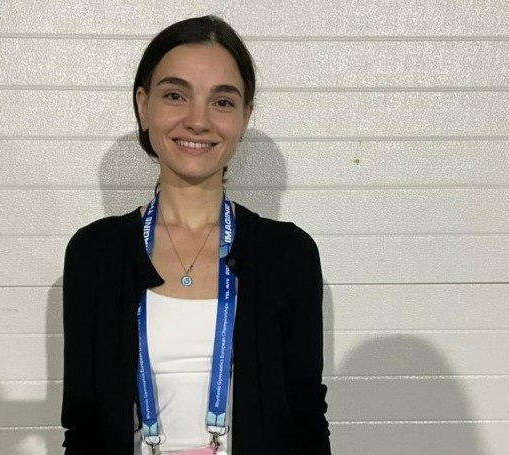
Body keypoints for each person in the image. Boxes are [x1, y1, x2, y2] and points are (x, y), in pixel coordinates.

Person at [61, 15, 330, 454]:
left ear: (244, 117)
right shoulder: (95, 253)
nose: (198, 120)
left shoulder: (288, 254)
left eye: (222, 102)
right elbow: (83, 426)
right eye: (175, 95)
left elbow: (307, 416)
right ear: (143, 106)